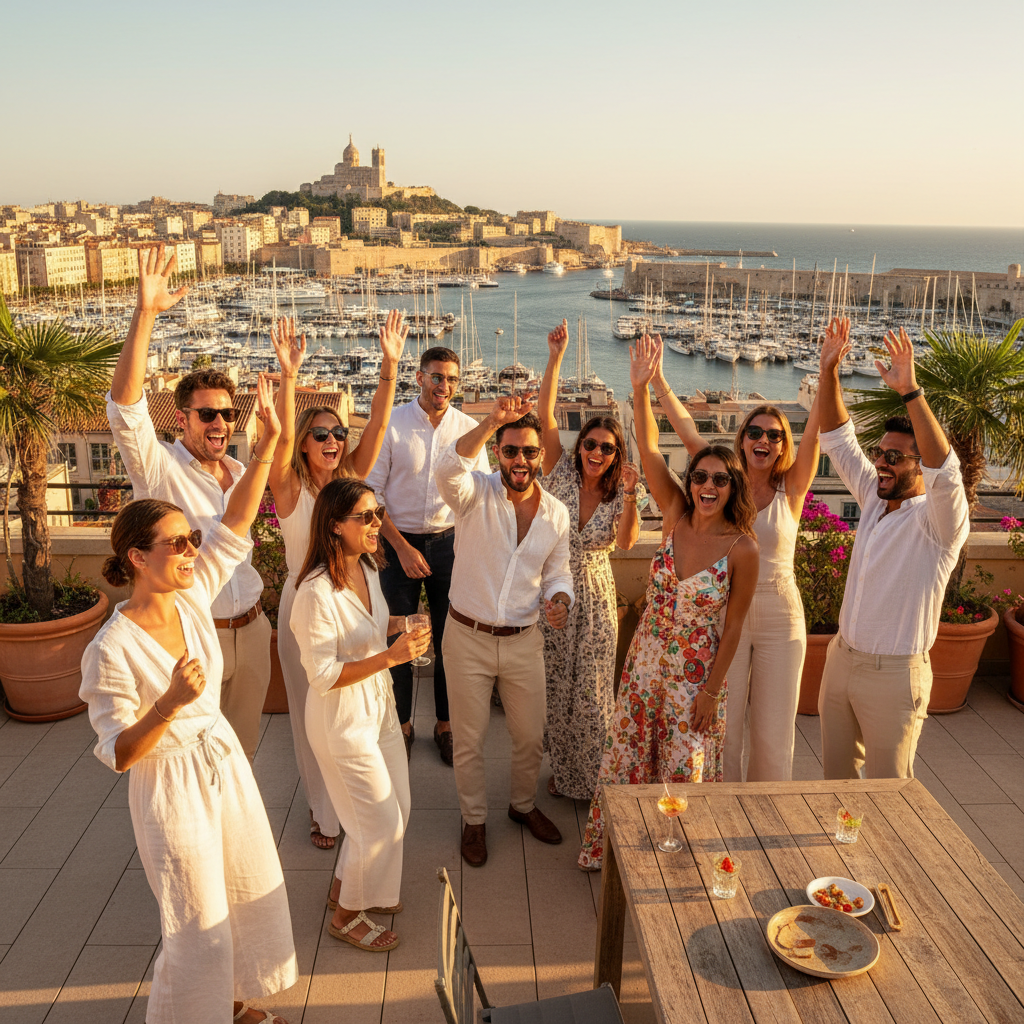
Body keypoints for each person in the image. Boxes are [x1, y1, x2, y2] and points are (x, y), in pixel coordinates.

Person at [80, 375, 297, 1024]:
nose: (191, 549)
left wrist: (265, 448)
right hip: (169, 785)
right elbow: (118, 752)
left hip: (221, 764)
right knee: (194, 921)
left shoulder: (193, 594)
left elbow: (233, 524)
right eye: (177, 542)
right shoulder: (110, 648)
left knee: (240, 890)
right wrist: (169, 703)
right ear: (138, 558)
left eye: (190, 541)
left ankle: (231, 1002)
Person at [577, 345, 759, 871]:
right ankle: (616, 857)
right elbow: (651, 449)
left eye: (719, 480)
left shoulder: (741, 548)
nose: (706, 486)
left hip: (695, 676)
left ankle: (675, 861)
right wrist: (639, 387)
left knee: (682, 768)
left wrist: (709, 692)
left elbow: (733, 630)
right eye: (699, 477)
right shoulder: (675, 515)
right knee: (629, 757)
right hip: (646, 663)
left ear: (732, 486)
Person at [108, 246, 270, 762]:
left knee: (240, 756)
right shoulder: (159, 470)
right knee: (189, 753)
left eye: (226, 413)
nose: (219, 423)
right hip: (197, 636)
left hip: (253, 626)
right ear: (183, 420)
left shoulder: (241, 473)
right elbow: (125, 408)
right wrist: (146, 314)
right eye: (206, 415)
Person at [637, 333, 821, 781]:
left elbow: (816, 428)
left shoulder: (791, 489)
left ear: (783, 445)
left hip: (779, 611)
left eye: (774, 435)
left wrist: (829, 370)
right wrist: (656, 379)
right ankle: (725, 811)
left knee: (774, 732)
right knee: (723, 724)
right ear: (741, 441)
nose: (763, 439)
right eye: (754, 432)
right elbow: (680, 428)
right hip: (724, 613)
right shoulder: (722, 484)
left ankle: (766, 816)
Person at [269, 312, 406, 849]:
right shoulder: (290, 489)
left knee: (363, 702)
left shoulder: (351, 479)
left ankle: (363, 798)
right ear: (305, 442)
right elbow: (277, 444)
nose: (331, 440)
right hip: (306, 606)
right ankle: (325, 812)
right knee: (313, 711)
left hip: (359, 597)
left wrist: (391, 366)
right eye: (320, 434)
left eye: (336, 433)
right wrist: (288, 378)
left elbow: (375, 424)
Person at [816, 317, 969, 779]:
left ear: (919, 466)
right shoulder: (872, 495)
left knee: (887, 797)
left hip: (895, 676)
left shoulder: (938, 524)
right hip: (842, 660)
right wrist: (828, 371)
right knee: (835, 785)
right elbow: (838, 440)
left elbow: (947, 470)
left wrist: (911, 392)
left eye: (894, 457)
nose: (880, 462)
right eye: (880, 453)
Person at [291, 479, 430, 952]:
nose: (377, 524)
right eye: (365, 517)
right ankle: (348, 915)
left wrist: (400, 626)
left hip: (380, 709)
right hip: (341, 722)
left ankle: (345, 888)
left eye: (378, 513)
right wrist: (392, 657)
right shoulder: (314, 592)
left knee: (400, 809)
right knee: (376, 822)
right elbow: (323, 674)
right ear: (335, 525)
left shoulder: (367, 569)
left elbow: (369, 626)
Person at [435, 396, 575, 868]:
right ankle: (473, 820)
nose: (521, 460)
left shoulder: (555, 513)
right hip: (467, 638)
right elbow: (445, 466)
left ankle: (522, 806)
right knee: (470, 740)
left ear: (540, 456)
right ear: (498, 453)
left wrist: (559, 600)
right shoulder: (473, 492)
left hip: (523, 641)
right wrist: (491, 420)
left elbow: (559, 573)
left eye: (529, 452)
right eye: (511, 450)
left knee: (530, 736)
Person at [365, 345, 490, 766]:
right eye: (437, 377)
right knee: (397, 637)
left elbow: (482, 494)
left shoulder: (468, 429)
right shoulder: (394, 424)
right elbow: (372, 494)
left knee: (449, 641)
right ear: (419, 377)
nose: (445, 386)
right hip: (395, 541)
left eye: (452, 379)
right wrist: (400, 547)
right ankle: (400, 724)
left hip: (450, 543)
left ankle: (445, 725)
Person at [537, 319, 644, 800]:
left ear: (616, 454)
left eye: (607, 447)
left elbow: (624, 545)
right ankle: (564, 775)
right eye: (591, 444)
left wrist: (629, 495)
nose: (596, 451)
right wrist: (556, 358)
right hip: (554, 590)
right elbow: (545, 414)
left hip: (597, 597)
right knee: (555, 687)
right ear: (579, 447)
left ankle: (598, 783)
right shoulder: (558, 470)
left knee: (595, 691)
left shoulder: (619, 494)